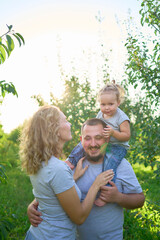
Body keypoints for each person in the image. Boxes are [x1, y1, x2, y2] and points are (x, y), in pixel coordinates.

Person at [28, 118, 145, 240]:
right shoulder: (72, 165)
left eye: (98, 138)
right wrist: (33, 204)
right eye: (88, 138)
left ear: (107, 139)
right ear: (81, 140)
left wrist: (118, 197)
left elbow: (140, 200)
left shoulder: (121, 165)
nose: (93, 144)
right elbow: (56, 190)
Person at [19, 106, 114, 240]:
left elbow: (49, 192)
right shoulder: (58, 169)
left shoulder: (40, 162)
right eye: (65, 120)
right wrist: (96, 184)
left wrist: (72, 178)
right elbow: (79, 217)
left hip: (36, 234)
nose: (69, 124)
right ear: (55, 130)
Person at [66, 82, 130, 206]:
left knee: (109, 166)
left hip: (118, 146)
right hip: (105, 142)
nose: (106, 108)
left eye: (111, 104)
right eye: (103, 104)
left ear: (118, 103)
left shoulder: (121, 117)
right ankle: (71, 161)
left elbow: (126, 136)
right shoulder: (101, 114)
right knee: (83, 144)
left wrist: (113, 133)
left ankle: (105, 194)